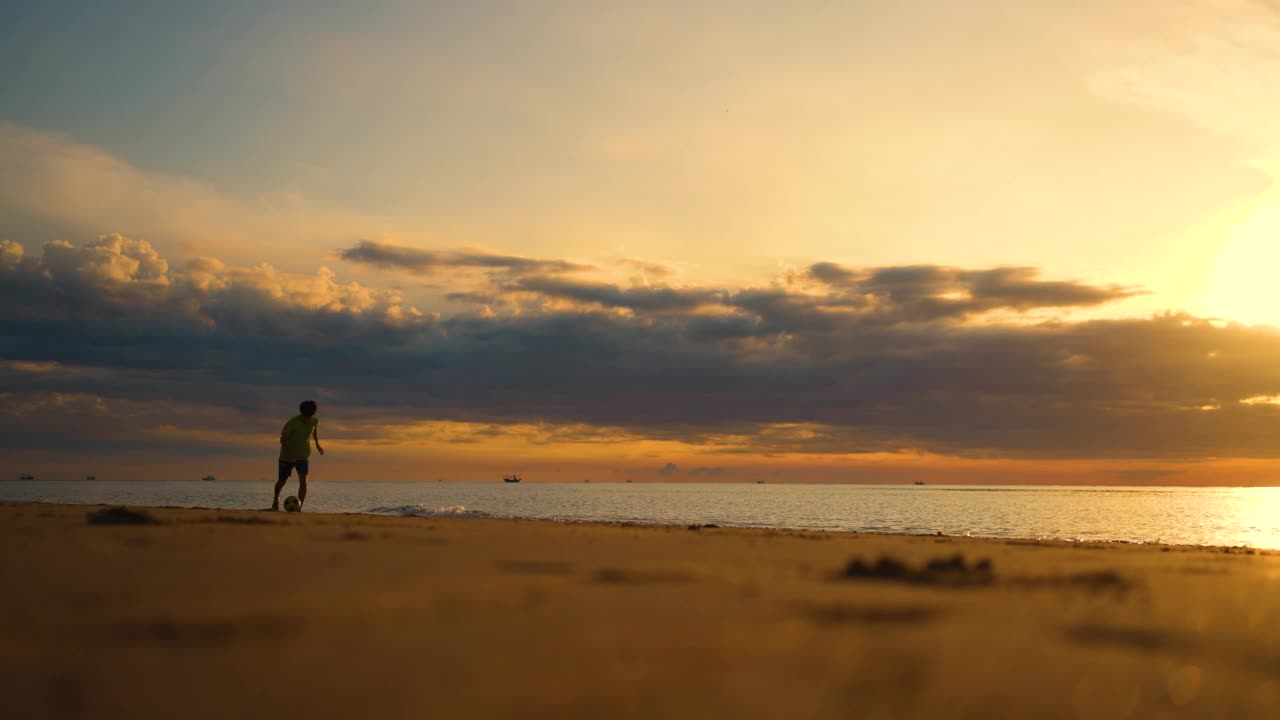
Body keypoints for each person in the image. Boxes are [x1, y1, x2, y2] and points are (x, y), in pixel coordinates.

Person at [273, 400, 324, 511]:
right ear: (302, 413)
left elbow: (314, 431)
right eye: (305, 417)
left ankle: (299, 508)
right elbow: (283, 439)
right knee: (282, 480)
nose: (307, 419)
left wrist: (317, 445)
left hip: (303, 455)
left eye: (309, 417)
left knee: (304, 482)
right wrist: (290, 453)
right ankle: (275, 501)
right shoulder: (292, 422)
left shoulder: (314, 421)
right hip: (287, 456)